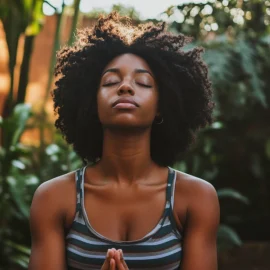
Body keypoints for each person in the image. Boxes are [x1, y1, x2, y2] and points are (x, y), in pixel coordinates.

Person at [29, 12, 220, 270]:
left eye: (142, 82)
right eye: (111, 81)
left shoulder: (195, 199)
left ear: (162, 106)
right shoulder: (53, 199)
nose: (125, 87)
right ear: (91, 103)